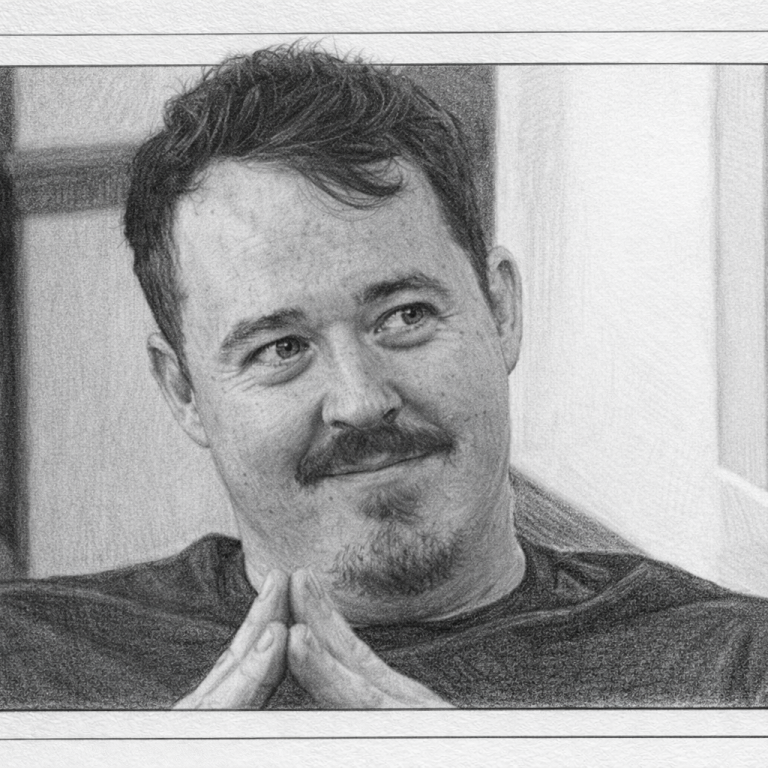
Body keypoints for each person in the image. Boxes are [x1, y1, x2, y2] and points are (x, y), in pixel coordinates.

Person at [1, 45, 767, 709]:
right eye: (281, 348)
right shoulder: (25, 660)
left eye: (404, 316)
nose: (361, 400)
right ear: (183, 391)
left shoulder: (732, 670)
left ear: (500, 308)